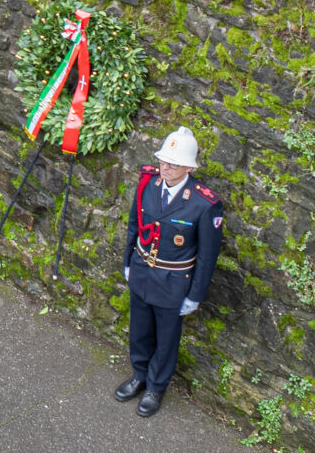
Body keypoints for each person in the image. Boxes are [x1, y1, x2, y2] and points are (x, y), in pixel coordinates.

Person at [116, 126, 223, 417]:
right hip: (141, 270)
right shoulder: (147, 184)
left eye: (174, 163)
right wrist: (127, 261)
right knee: (139, 330)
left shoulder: (204, 203)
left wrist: (196, 294)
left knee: (166, 339)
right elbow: (134, 226)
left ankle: (155, 386)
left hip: (173, 282)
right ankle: (139, 375)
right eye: (164, 161)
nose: (166, 167)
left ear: (189, 166)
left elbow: (208, 256)